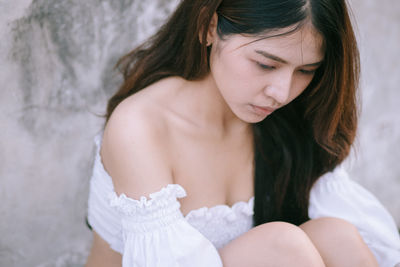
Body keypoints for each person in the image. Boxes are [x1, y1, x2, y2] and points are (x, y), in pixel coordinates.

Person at [85, 0, 400, 266]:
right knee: (283, 245)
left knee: (337, 236)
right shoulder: (141, 126)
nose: (282, 92)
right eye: (266, 64)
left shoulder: (286, 122)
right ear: (209, 27)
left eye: (305, 71)